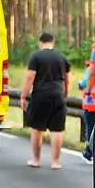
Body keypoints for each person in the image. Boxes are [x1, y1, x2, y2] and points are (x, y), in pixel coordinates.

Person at [19, 32, 70, 169]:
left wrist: (23, 96)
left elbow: (30, 77)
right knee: (57, 130)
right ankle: (55, 162)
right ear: (53, 42)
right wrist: (65, 95)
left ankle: (36, 159)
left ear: (40, 43)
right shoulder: (62, 58)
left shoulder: (36, 57)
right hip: (58, 95)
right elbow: (67, 80)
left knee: (37, 128)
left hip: (40, 95)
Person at [78, 70, 95, 162]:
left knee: (91, 129)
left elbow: (84, 82)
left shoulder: (90, 69)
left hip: (91, 104)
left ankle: (90, 152)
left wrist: (80, 84)